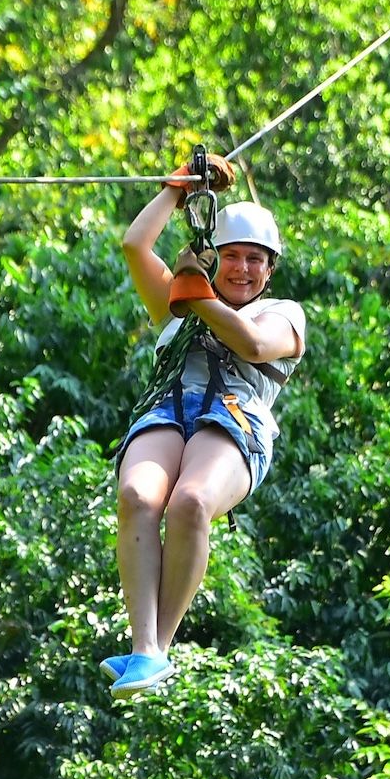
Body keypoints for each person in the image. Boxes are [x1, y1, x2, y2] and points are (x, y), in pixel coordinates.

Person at [103, 155, 307, 698]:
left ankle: (155, 651)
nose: (242, 268)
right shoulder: (178, 304)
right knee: (136, 494)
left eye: (256, 260)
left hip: (235, 422)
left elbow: (255, 345)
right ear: (215, 258)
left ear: (270, 269)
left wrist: (200, 295)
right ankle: (142, 646)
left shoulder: (282, 314)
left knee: (189, 503)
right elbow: (134, 246)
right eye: (232, 256)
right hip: (168, 410)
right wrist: (177, 190)